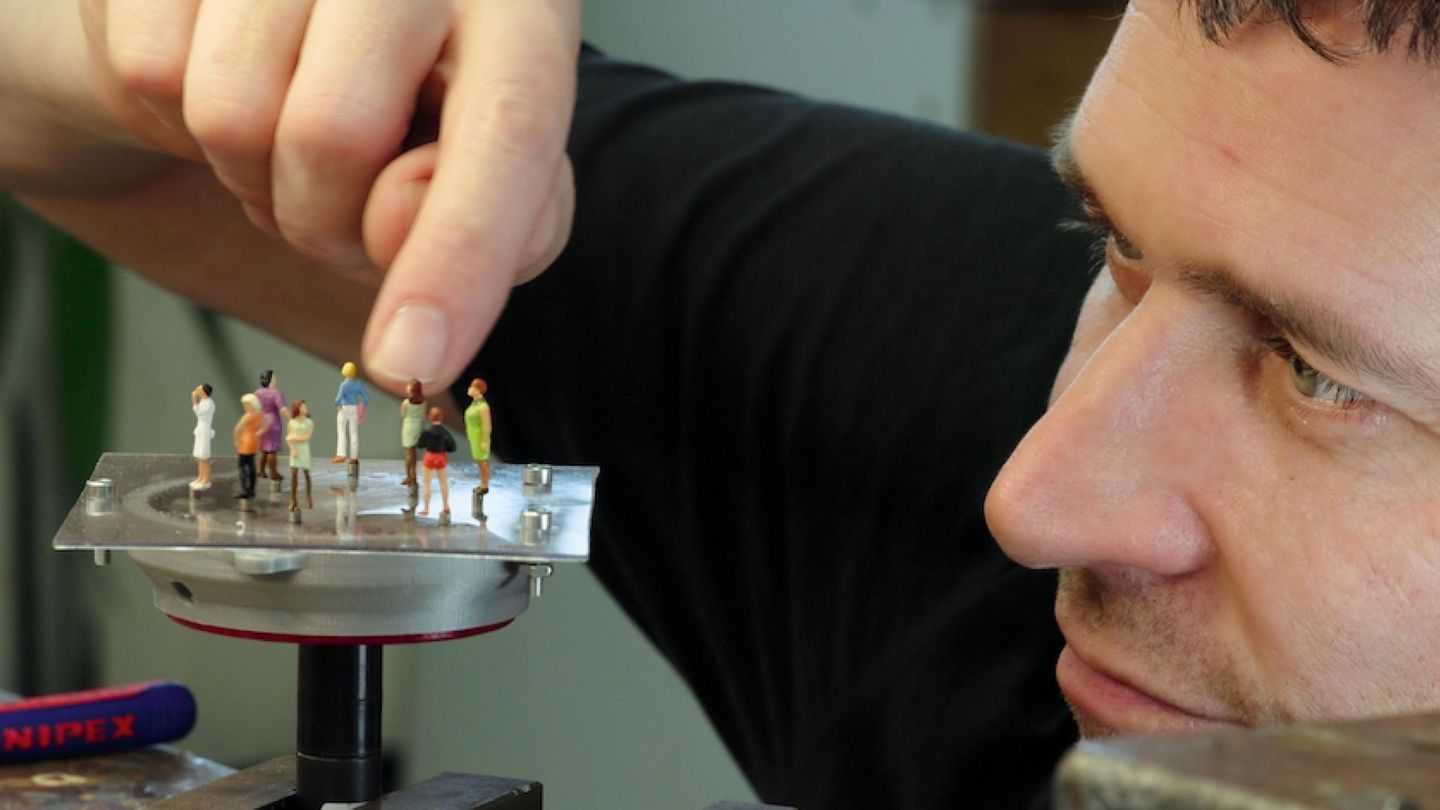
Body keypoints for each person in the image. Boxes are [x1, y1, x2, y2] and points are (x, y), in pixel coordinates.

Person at [4, 3, 1439, 809]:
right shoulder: (937, 363)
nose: (1031, 499)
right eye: (1110, 247)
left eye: (1317, 376)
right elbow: (96, 131)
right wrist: (176, 43)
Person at [415, 407, 457, 517]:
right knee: (443, 483)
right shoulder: (445, 432)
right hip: (441, 457)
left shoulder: (427, 431)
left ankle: (426, 508)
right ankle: (446, 506)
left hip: (429, 457)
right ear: (441, 417)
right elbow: (453, 447)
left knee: (426, 483)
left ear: (429, 417)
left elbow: (420, 445)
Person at [255, 369, 289, 484]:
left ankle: (261, 470)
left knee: (264, 448)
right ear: (271, 379)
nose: (276, 379)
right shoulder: (276, 393)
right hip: (272, 423)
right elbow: (282, 409)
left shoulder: (257, 392)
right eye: (274, 377)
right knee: (272, 450)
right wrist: (290, 420)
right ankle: (273, 473)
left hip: (261, 422)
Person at [332, 361, 370, 464]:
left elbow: (337, 399)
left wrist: (337, 405)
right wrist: (362, 407)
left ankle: (341, 455)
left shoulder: (344, 385)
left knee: (341, 431)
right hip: (354, 408)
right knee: (354, 432)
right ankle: (354, 457)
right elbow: (367, 398)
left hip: (344, 408)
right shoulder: (358, 384)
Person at [233, 393, 266, 501]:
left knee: (242, 466)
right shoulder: (260, 414)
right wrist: (257, 434)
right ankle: (251, 490)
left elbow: (237, 428)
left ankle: (245, 490)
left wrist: (236, 440)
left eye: (246, 405)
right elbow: (266, 426)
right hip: (254, 440)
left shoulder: (247, 416)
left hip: (246, 441)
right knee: (251, 465)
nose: (245, 407)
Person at [464, 378, 492, 494]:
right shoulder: (474, 404)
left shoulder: (483, 407)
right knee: (479, 460)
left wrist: (484, 441)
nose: (469, 389)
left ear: (478, 390)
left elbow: (487, 425)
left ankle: (484, 485)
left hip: (480, 436)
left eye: (472, 387)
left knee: (482, 461)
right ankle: (483, 483)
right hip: (474, 436)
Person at [286, 399, 314, 511]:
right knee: (294, 474)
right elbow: (288, 438)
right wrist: (293, 448)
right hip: (295, 450)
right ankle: (293, 499)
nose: (305, 408)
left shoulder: (309, 422)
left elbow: (307, 437)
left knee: (306, 473)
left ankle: (308, 496)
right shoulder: (292, 422)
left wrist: (294, 438)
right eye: (303, 407)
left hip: (304, 449)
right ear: (298, 408)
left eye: (305, 407)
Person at [399, 379, 427, 486]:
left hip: (408, 426)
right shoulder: (424, 402)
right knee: (414, 452)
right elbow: (424, 414)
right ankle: (413, 475)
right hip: (418, 426)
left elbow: (403, 414)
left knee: (408, 452)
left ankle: (409, 476)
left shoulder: (406, 403)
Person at [188, 383, 214, 491]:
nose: (197, 390)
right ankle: (200, 477)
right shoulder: (203, 402)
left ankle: (206, 480)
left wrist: (194, 400)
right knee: (200, 456)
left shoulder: (209, 403)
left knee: (204, 457)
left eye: (199, 389)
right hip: (201, 428)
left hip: (205, 429)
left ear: (204, 391)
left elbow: (199, 413)